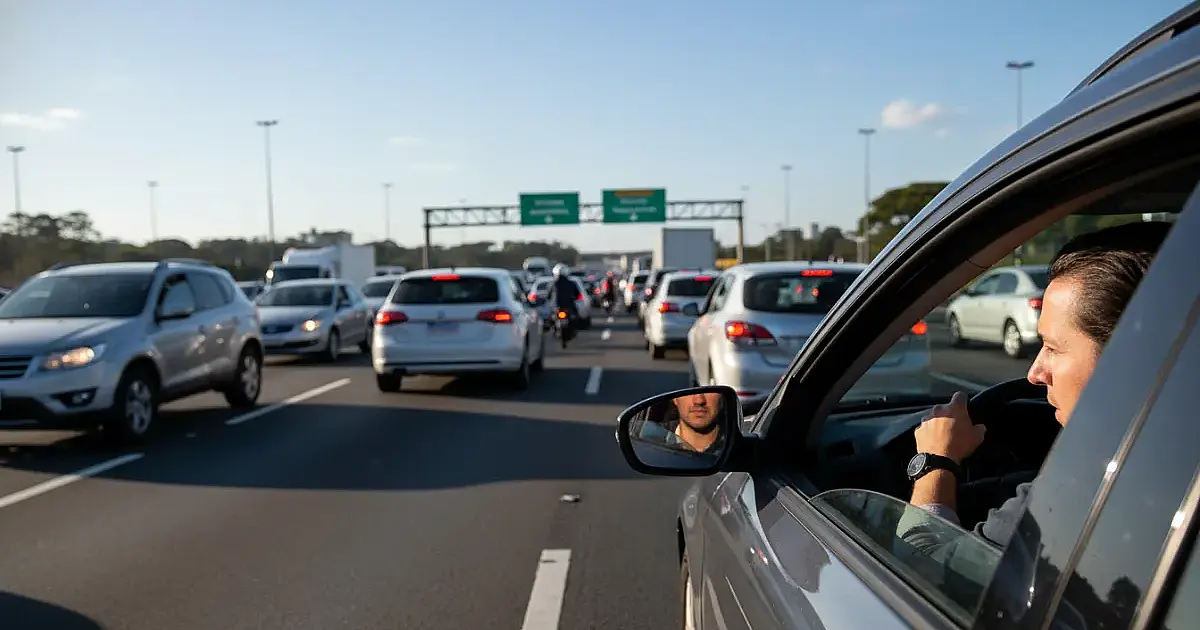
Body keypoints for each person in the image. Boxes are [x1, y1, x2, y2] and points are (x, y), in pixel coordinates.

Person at [904, 220, 1173, 550]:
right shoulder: (1171, 459)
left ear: (1127, 356)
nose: (1035, 372)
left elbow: (923, 561)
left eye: (1053, 348)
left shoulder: (1087, 491)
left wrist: (935, 464)